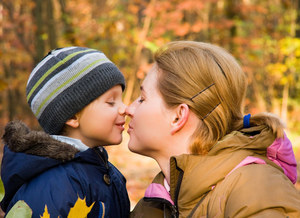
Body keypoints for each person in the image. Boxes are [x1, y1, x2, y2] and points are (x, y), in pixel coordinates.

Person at [126, 41, 300, 217]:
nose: (128, 109)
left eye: (142, 99)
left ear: (178, 116)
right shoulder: (155, 203)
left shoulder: (256, 190)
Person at [1, 46, 130, 217]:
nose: (125, 109)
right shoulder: (56, 185)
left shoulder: (104, 171)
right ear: (72, 117)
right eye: (111, 102)